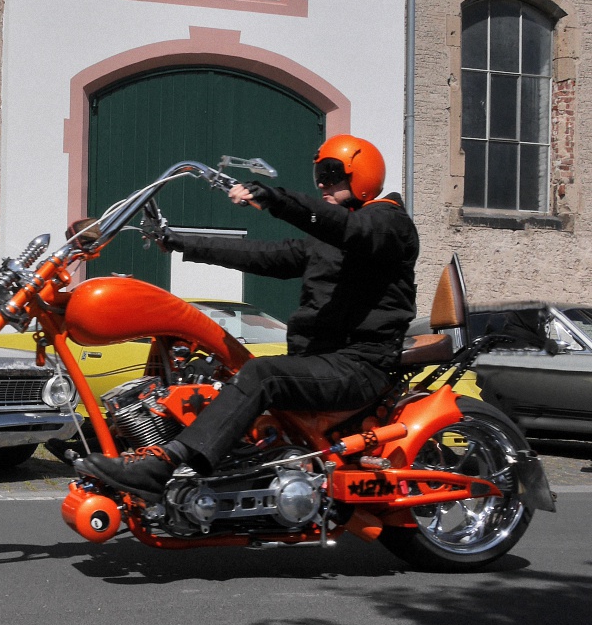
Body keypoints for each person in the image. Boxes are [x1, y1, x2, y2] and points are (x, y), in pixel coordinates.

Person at [74, 134, 420, 503]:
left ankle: (161, 467)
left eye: (332, 174)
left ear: (362, 175)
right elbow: (265, 254)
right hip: (319, 361)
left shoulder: (388, 225)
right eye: (319, 174)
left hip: (357, 365)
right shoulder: (337, 237)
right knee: (216, 366)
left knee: (263, 374)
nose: (322, 183)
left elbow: (349, 229)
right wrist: (180, 243)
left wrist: (275, 199)